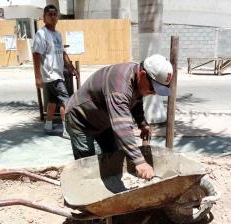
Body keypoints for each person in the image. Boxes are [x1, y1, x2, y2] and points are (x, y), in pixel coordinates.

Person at [65, 54, 173, 180]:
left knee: (113, 157)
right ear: (143, 74)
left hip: (103, 119)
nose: (153, 93)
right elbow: (122, 126)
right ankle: (88, 194)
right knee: (87, 166)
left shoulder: (136, 76)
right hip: (80, 120)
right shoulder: (119, 87)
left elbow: (136, 101)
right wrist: (140, 162)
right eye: (152, 89)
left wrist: (142, 124)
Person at [32, 4, 78, 138]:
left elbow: (62, 52)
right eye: (49, 14)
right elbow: (36, 55)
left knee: (52, 102)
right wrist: (37, 77)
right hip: (51, 75)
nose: (52, 17)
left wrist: (70, 66)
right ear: (44, 18)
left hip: (58, 74)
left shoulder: (57, 34)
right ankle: (66, 130)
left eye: (54, 14)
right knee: (66, 101)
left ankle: (48, 125)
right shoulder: (41, 34)